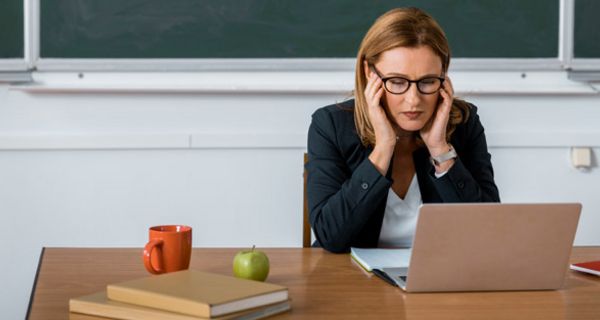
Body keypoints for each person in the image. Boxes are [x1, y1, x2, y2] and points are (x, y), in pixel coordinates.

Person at [306, 7, 500, 253]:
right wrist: (383, 148)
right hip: (355, 281)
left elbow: (487, 231)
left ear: (444, 75)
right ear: (369, 73)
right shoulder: (331, 125)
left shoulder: (465, 123)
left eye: (428, 81)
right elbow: (331, 237)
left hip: (441, 277)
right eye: (397, 82)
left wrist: (440, 150)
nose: (413, 100)